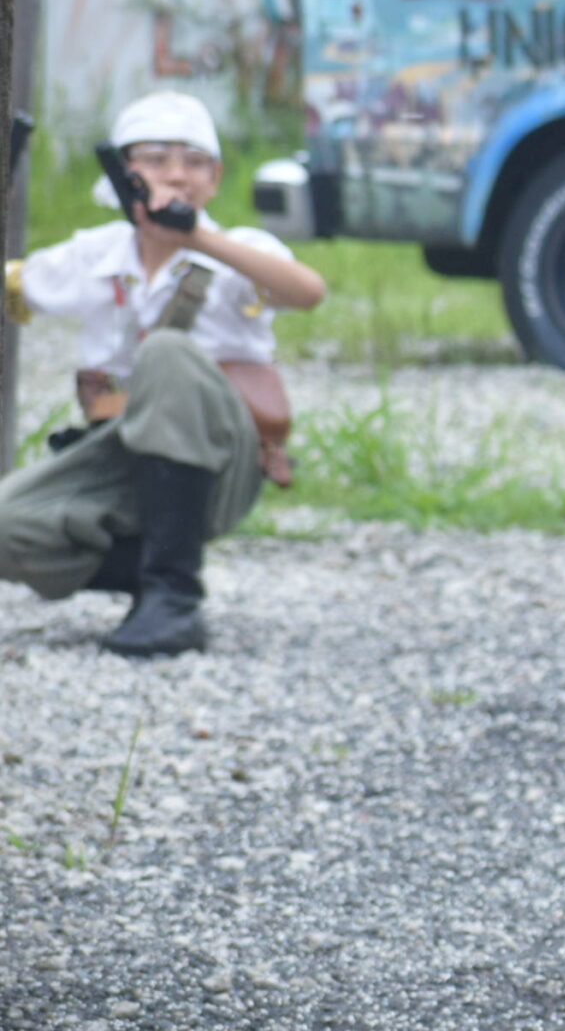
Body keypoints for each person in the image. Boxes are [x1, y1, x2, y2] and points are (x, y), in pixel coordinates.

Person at [0, 91, 324, 656]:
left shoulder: (239, 250)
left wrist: (194, 237)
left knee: (167, 353)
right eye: (155, 158)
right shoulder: (97, 255)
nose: (176, 174)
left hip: (217, 465)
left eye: (195, 161)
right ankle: (154, 575)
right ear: (121, 174)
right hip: (121, 457)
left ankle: (175, 598)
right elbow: (17, 285)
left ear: (215, 178)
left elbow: (307, 292)